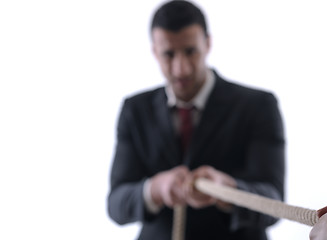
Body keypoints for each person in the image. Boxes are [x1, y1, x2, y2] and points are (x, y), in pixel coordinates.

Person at [107, 1, 285, 239]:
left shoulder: (258, 105)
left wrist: (227, 190)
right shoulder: (134, 109)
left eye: (190, 51)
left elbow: (273, 204)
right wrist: (156, 189)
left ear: (207, 43)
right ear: (154, 52)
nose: (181, 69)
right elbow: (116, 205)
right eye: (168, 55)